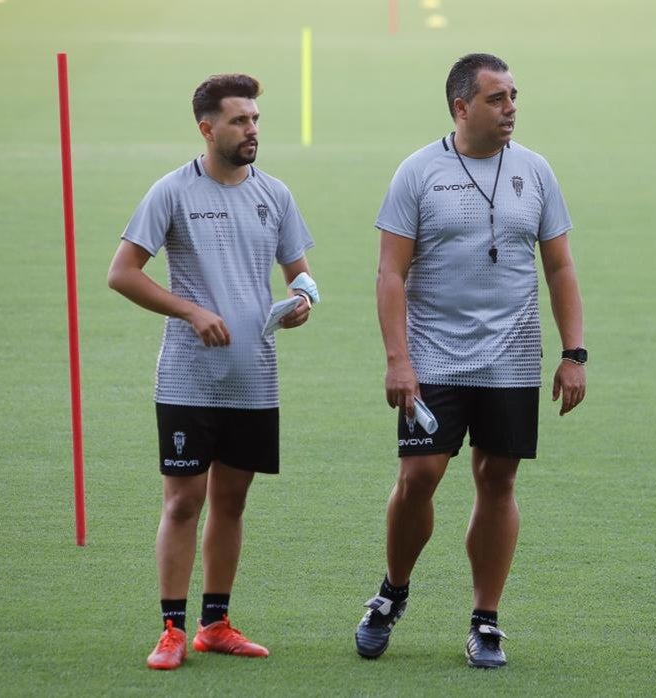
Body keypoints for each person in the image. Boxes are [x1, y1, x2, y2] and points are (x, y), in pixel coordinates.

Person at [355, 53, 586, 669]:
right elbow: (390, 272)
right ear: (462, 108)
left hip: (511, 358)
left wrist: (573, 354)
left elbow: (559, 265)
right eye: (497, 98)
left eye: (513, 96)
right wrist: (397, 360)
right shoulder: (418, 172)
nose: (511, 107)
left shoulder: (535, 171)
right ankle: (393, 591)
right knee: (419, 477)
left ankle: (485, 620)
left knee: (498, 481)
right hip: (432, 357)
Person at [107, 73, 316, 671]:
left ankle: (215, 624)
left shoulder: (274, 194)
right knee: (182, 501)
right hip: (187, 377)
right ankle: (171, 629)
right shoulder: (171, 192)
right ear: (207, 128)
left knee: (232, 500)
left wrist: (303, 300)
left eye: (255, 119)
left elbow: (300, 272)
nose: (252, 130)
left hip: (253, 375)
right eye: (239, 121)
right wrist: (190, 310)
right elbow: (122, 273)